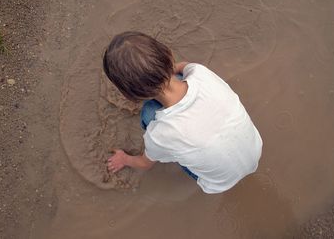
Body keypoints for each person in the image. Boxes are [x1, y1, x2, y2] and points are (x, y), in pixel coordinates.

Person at [103, 31, 262, 194]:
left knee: (149, 114)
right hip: (255, 149)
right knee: (180, 78)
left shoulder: (159, 134)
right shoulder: (200, 72)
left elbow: (145, 164)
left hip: (218, 183)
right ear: (169, 55)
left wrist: (124, 159)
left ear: (132, 96)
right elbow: (184, 66)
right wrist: (167, 71)